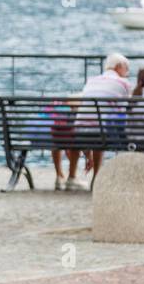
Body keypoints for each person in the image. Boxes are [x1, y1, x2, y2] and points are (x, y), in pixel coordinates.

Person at [56, 52, 133, 190]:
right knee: (102, 128)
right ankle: (97, 178)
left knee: (87, 126)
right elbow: (125, 109)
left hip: (79, 131)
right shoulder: (124, 83)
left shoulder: (91, 81)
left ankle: (71, 177)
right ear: (118, 67)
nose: (127, 73)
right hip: (102, 133)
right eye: (126, 69)